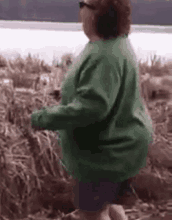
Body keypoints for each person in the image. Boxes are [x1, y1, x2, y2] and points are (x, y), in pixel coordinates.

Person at [31, 0, 154, 219]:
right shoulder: (115, 44)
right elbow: (105, 90)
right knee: (111, 205)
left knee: (92, 213)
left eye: (83, 4)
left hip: (106, 153)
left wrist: (42, 118)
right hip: (123, 146)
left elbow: (92, 108)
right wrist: (66, 93)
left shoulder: (104, 54)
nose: (79, 10)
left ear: (100, 14)